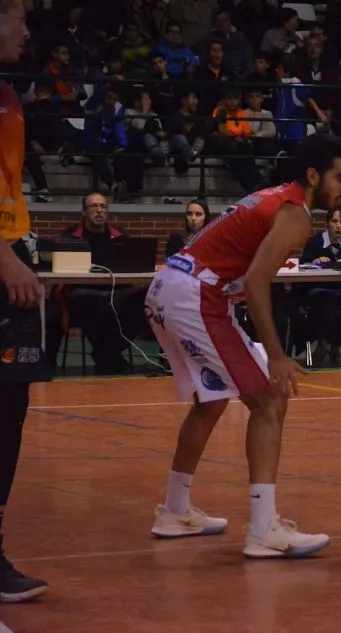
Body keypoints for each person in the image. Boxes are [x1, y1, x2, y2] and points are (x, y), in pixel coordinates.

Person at [144, 134, 341, 558]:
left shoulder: (273, 197)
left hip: (169, 288)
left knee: (210, 403)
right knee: (270, 400)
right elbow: (258, 281)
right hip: (196, 296)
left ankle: (175, 511)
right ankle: (263, 530)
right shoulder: (295, 213)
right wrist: (276, 356)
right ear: (314, 176)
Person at [0, 0, 52, 602]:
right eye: (19, 19)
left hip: (12, 253)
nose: (27, 30)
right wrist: (4, 257)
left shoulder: (9, 95)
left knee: (10, 408)